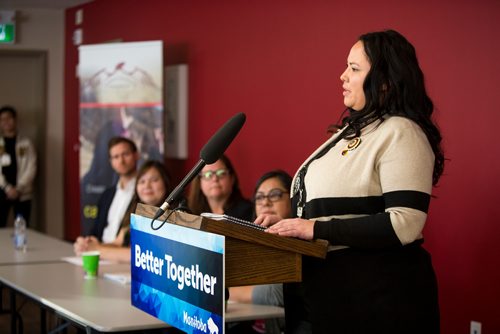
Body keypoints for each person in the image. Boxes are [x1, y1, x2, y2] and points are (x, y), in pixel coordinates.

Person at [256, 29, 444, 334]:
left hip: (378, 303)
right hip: (327, 299)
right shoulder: (356, 130)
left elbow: (404, 223)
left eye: (354, 69)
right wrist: (288, 225)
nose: (342, 76)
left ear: (384, 81)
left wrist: (314, 228)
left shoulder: (401, 132)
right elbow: (338, 212)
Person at [229, 170, 292, 334]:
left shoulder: (298, 242)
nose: (265, 202)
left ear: (292, 199)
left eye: (275, 194)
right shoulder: (247, 243)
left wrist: (224, 291)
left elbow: (276, 293)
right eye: (259, 197)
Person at [74, 160, 171, 262]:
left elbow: (141, 255)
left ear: (166, 182)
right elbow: (117, 243)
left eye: (154, 180)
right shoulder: (135, 212)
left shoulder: (174, 216)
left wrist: (96, 249)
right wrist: (87, 245)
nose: (147, 186)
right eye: (142, 181)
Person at [85, 136, 139, 242]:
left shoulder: (145, 194)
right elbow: (96, 231)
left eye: (125, 154)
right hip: (101, 252)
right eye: (116, 157)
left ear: (136, 155)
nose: (121, 161)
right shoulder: (107, 195)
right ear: (111, 162)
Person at [0, 106, 37, 227]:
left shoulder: (26, 143)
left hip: (22, 192)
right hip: (2, 190)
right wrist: (7, 187)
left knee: (22, 228)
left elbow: (32, 166)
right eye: (2, 119)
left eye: (9, 118)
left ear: (15, 120)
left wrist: (19, 187)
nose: (6, 122)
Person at [188, 154, 253, 221]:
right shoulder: (189, 212)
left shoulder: (249, 212)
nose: (215, 179)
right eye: (208, 175)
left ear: (232, 178)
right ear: (199, 182)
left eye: (221, 173)